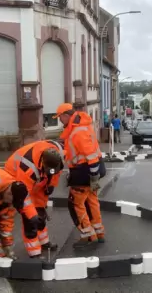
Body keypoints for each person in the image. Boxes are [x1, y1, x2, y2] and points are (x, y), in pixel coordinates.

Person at [53, 103, 106, 248]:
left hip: (84, 172)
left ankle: (88, 237)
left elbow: (89, 155)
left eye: (60, 118)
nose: (60, 121)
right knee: (92, 201)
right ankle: (98, 232)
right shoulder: (81, 127)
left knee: (76, 204)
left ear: (66, 115)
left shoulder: (78, 132)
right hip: (92, 170)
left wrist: (93, 176)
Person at [4, 140, 64, 258]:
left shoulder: (57, 155)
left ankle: (43, 242)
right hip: (15, 177)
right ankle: (34, 251)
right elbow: (24, 197)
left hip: (38, 178)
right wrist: (32, 214)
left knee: (40, 211)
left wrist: (51, 184)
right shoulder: (27, 168)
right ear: (43, 163)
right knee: (30, 218)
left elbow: (55, 173)